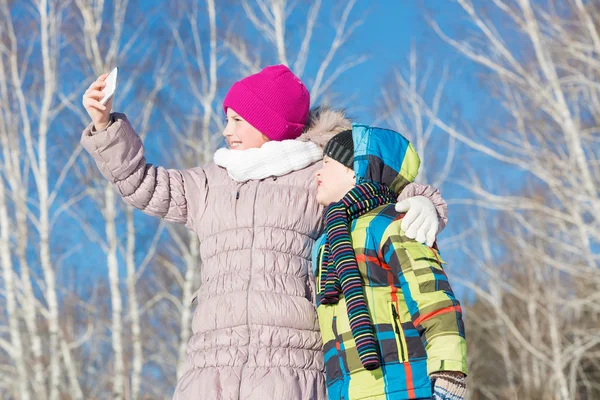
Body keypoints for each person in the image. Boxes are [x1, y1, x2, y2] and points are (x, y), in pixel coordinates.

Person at [81, 64, 449, 400]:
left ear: (269, 123)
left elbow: (381, 188)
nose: (227, 130)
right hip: (212, 363)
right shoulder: (210, 183)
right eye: (227, 119)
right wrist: (104, 125)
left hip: (294, 360)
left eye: (238, 120)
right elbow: (142, 181)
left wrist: (421, 201)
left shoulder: (315, 176)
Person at [312, 126, 467, 399]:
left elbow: (434, 298)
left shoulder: (391, 224)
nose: (318, 172)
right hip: (346, 390)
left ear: (354, 170)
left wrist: (449, 372)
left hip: (403, 386)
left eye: (326, 163)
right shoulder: (326, 243)